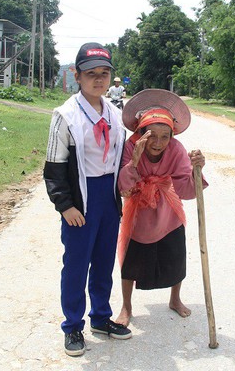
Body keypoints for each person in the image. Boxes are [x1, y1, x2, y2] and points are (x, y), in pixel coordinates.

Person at [43, 42, 132, 357]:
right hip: (81, 201)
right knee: (77, 265)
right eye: (91, 73)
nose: (99, 80)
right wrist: (65, 206)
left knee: (104, 262)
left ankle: (101, 318)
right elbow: (53, 170)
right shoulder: (65, 116)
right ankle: (72, 327)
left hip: (108, 197)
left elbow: (123, 157)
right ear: (76, 76)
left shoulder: (115, 113)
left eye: (104, 73)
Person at [114, 89, 207, 328]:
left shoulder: (176, 149)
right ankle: (126, 305)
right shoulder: (130, 147)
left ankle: (175, 299)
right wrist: (134, 161)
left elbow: (186, 191)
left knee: (175, 257)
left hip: (168, 209)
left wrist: (197, 170)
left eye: (165, 136)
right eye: (151, 135)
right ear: (140, 132)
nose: (158, 143)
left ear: (172, 136)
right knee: (131, 262)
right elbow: (123, 186)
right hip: (139, 211)